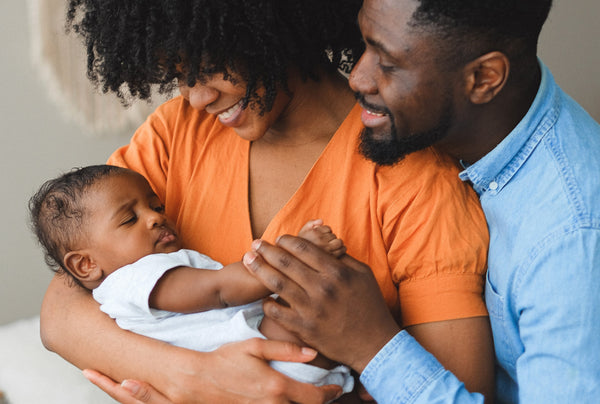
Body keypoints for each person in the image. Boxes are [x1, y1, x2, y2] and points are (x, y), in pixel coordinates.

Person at [40, 1, 494, 403]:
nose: (196, 97)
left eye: (210, 63)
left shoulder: (415, 182)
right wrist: (193, 379)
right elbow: (62, 310)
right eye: (179, 75)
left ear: (275, 25)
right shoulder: (177, 133)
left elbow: (453, 390)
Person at [242, 0, 600, 403]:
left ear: (484, 78)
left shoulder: (571, 239)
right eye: (364, 44)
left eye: (388, 64)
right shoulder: (468, 138)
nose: (357, 78)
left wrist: (372, 345)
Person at [28, 165, 354, 395]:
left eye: (156, 206)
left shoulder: (150, 270)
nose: (156, 216)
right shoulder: (133, 281)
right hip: (261, 365)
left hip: (268, 366)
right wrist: (296, 254)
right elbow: (220, 290)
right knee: (297, 311)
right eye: (130, 219)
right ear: (86, 264)